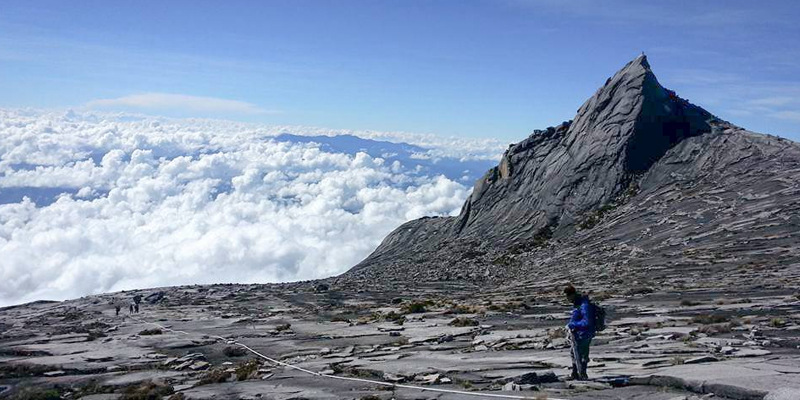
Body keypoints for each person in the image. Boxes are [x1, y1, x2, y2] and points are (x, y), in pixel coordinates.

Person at [564, 284, 596, 381]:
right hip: (578, 333)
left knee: (582, 353)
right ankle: (576, 373)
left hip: (584, 333)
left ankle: (582, 374)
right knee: (575, 353)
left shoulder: (583, 305)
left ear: (572, 295)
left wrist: (573, 325)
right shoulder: (578, 303)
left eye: (568, 296)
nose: (567, 298)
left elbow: (587, 322)